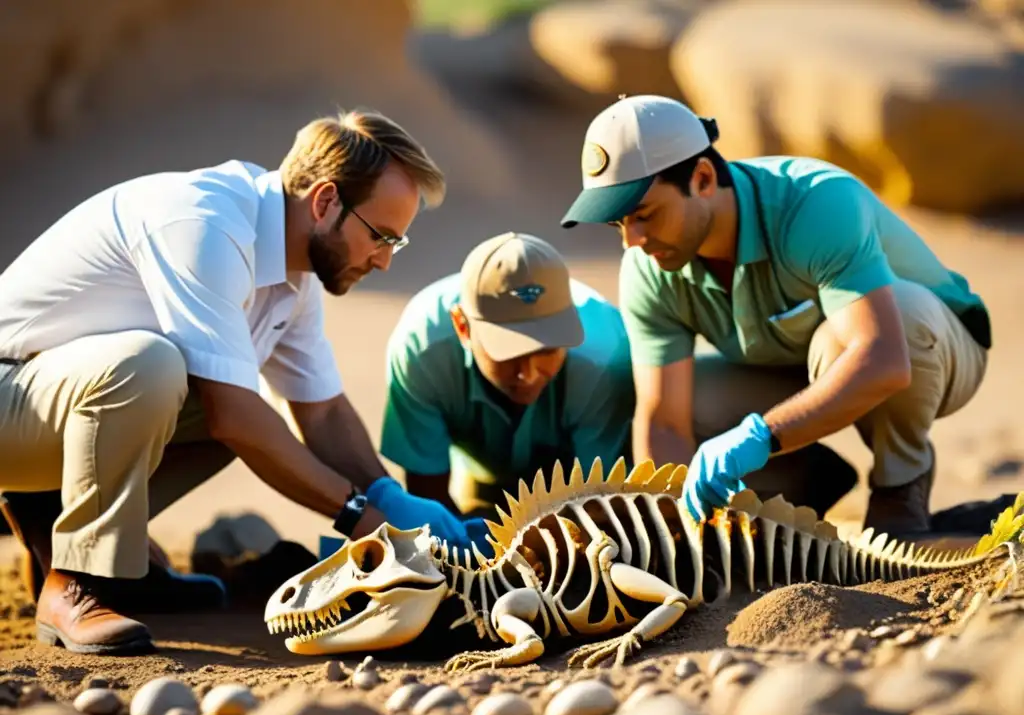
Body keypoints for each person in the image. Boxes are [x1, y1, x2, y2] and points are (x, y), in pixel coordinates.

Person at [0, 108, 489, 655]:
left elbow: (322, 412)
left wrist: (392, 505)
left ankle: (64, 526)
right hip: (10, 396)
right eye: (381, 237)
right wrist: (364, 520)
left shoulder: (294, 273)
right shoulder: (205, 226)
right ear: (325, 202)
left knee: (229, 400)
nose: (383, 262)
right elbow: (234, 417)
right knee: (162, 371)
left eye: (396, 244)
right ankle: (79, 581)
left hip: (55, 411)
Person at [560, 94, 991, 534]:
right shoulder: (647, 267)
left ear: (703, 179)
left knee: (868, 330)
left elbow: (884, 358)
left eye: (644, 215)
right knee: (687, 400)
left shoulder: (815, 203)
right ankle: (807, 487)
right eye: (618, 224)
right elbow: (663, 421)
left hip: (930, 351)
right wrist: (671, 526)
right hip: (797, 369)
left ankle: (900, 485)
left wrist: (760, 438)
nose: (632, 241)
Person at [379, 231, 635, 518]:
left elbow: (598, 505)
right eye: (509, 353)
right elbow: (428, 497)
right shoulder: (422, 350)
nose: (528, 374)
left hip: (569, 484)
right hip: (481, 476)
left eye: (547, 350)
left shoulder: (606, 359)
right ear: (463, 327)